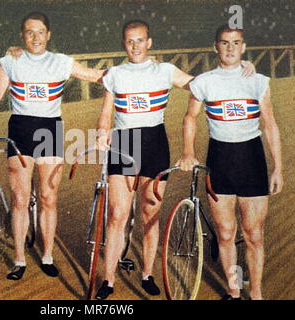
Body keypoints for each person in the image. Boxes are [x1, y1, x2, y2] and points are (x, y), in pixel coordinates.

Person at [94, 20, 256, 300]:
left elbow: (201, 85)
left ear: (150, 42)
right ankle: (107, 281)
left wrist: (239, 71)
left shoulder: (165, 70)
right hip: (123, 144)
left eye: (140, 40)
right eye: (130, 41)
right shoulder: (116, 74)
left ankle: (147, 274)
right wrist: (101, 132)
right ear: (124, 43)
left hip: (154, 144)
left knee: (150, 214)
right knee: (117, 216)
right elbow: (106, 111)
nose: (135, 46)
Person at [0, 11, 105, 280]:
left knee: (49, 198)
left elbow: (97, 76)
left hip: (50, 130)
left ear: (48, 35)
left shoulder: (61, 61)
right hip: (20, 130)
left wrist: (137, 67)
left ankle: (47, 255)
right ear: (22, 36)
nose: (35, 37)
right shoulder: (11, 60)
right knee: (20, 199)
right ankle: (19, 260)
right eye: (29, 32)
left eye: (40, 32)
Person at [176, 25, 283, 300]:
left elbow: (269, 124)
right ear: (216, 47)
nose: (230, 48)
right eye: (224, 43)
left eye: (236, 43)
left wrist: (278, 167)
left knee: (254, 235)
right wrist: (188, 151)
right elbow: (190, 118)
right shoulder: (204, 81)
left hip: (252, 160)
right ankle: (233, 292)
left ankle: (256, 293)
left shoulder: (258, 80)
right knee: (225, 234)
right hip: (220, 160)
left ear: (244, 47)